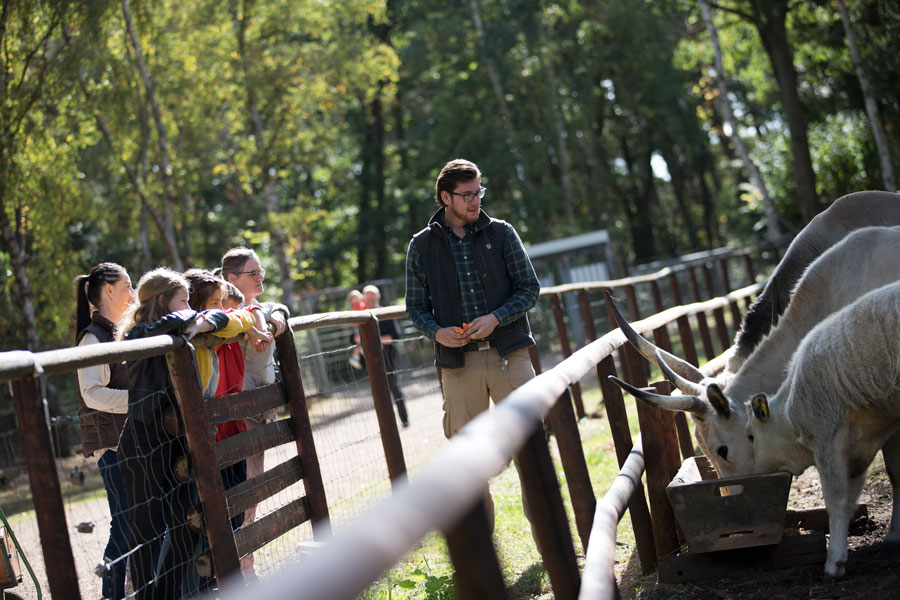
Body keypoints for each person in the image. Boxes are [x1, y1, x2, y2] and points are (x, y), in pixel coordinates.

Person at [404, 158, 541, 531]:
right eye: (466, 195)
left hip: (510, 355)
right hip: (458, 364)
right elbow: (415, 308)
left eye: (478, 192)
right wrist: (436, 331)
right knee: (467, 460)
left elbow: (530, 288)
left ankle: (552, 541)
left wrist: (496, 317)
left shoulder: (502, 233)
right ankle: (487, 562)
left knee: (532, 448)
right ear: (445, 197)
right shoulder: (421, 246)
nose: (475, 200)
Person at [116, 268, 227, 600]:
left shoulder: (179, 328)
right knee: (145, 535)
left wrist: (201, 322)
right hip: (143, 445)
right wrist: (190, 320)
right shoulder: (139, 333)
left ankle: (163, 595)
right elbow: (158, 329)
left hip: (175, 444)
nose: (190, 306)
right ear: (163, 301)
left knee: (186, 528)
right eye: (184, 300)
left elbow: (220, 316)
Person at [220, 246, 290, 581]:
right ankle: (239, 567)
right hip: (236, 413)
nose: (260, 277)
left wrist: (275, 318)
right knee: (243, 485)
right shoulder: (228, 316)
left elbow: (278, 309)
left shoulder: (261, 310)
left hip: (261, 409)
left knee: (255, 485)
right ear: (231, 279)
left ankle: (247, 560)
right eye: (253, 273)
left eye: (261, 271)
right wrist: (254, 322)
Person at [74, 262, 134, 600]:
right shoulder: (92, 340)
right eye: (127, 285)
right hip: (112, 446)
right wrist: (139, 400)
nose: (133, 292)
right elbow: (92, 394)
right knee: (124, 527)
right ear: (108, 290)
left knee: (136, 523)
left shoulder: (117, 332)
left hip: (131, 441)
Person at [362, 284, 409, 427]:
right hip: (369, 358)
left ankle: (404, 419)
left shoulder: (385, 313)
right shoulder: (360, 315)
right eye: (367, 295)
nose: (370, 298)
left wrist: (372, 339)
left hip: (387, 356)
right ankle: (387, 424)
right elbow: (354, 339)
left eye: (372, 295)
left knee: (393, 387)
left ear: (378, 296)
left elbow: (394, 336)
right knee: (378, 391)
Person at [347, 289, 366, 370]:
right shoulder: (357, 306)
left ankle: (355, 357)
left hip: (361, 325)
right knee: (359, 340)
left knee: (359, 341)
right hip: (357, 326)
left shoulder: (362, 304)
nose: (355, 299)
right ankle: (359, 353)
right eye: (353, 298)